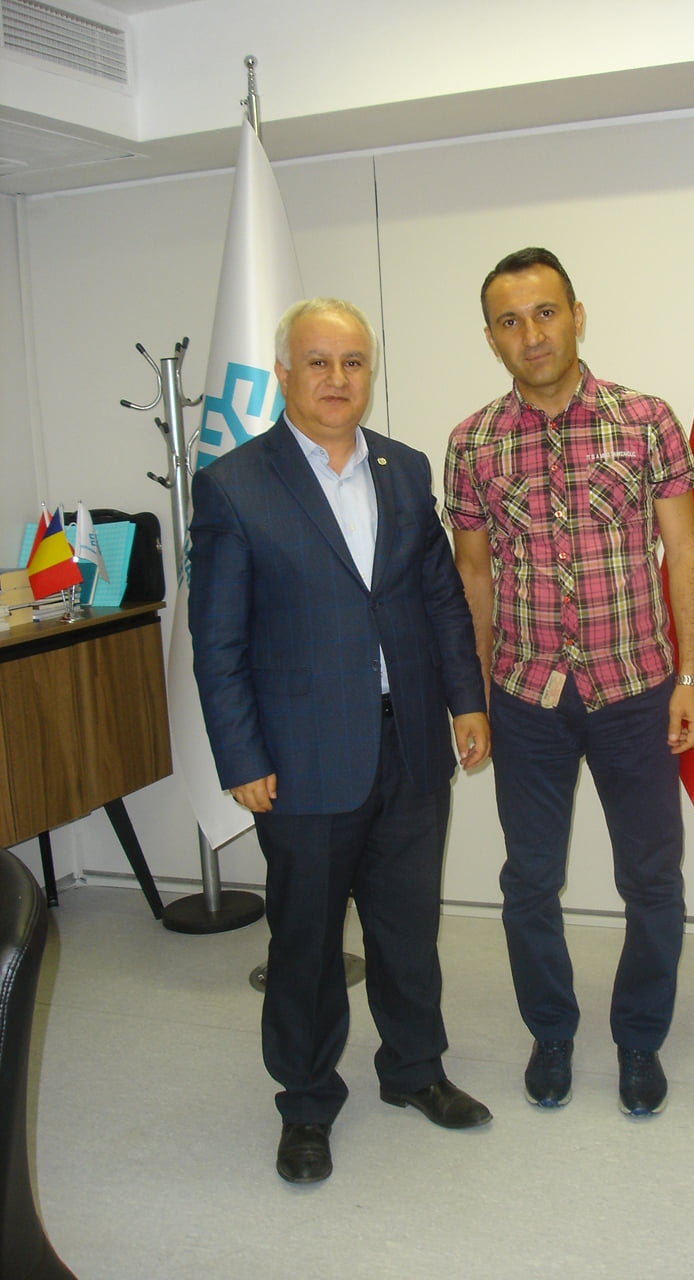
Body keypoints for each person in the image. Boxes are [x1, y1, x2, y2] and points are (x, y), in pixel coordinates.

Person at [189, 297, 493, 1185]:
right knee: (308, 941)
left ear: (370, 372)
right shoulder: (235, 484)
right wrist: (241, 757)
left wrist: (466, 702)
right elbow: (218, 640)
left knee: (408, 927)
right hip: (301, 759)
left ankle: (414, 1070)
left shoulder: (403, 468)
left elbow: (439, 598)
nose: (336, 379)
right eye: (317, 362)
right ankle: (307, 1101)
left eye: (352, 362)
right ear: (284, 373)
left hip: (411, 748)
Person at [445, 248, 694, 1118]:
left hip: (636, 689)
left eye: (546, 312)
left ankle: (640, 1038)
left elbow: (686, 551)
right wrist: (474, 697)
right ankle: (551, 1031)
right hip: (527, 698)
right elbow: (473, 574)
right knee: (528, 880)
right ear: (492, 338)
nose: (532, 334)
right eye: (511, 321)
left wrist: (690, 675)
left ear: (577, 315)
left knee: (652, 879)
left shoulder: (646, 420)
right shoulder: (472, 442)